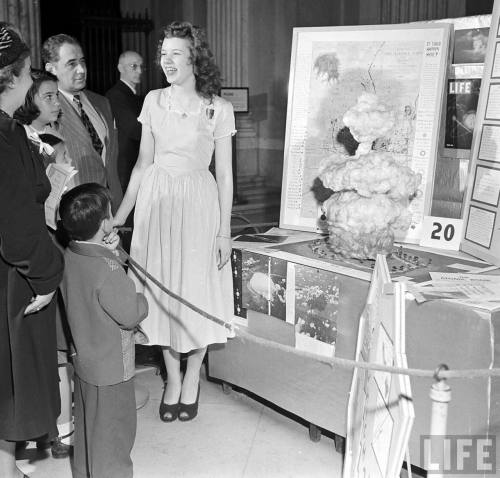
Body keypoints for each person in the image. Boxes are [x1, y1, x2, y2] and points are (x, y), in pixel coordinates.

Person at [113, 21, 235, 422]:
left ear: (194, 58)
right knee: (160, 294)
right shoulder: (152, 101)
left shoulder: (218, 107)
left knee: (196, 291)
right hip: (157, 204)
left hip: (200, 205)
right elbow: (141, 166)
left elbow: (226, 175)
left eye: (175, 53)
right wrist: (119, 218)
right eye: (162, 53)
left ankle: (194, 375)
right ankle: (172, 377)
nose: (166, 61)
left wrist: (224, 232)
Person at [0, 22, 64, 478]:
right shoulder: (4, 137)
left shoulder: (9, 132)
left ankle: (6, 465)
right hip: (12, 279)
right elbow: (19, 231)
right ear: (19, 75)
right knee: (12, 376)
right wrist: (47, 275)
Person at [59, 183, 148, 478]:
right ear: (105, 224)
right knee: (116, 434)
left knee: (90, 430)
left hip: (86, 364)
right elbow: (130, 313)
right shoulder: (107, 271)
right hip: (113, 370)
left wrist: (115, 255)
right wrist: (142, 300)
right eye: (110, 215)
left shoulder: (70, 255)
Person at [14, 69, 75, 459]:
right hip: (34, 251)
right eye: (49, 96)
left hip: (53, 246)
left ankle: (59, 430)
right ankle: (34, 430)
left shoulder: (55, 143)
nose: (57, 103)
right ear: (28, 100)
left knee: (57, 343)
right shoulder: (28, 144)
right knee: (36, 346)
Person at [41, 34, 122, 211]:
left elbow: (109, 160)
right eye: (71, 64)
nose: (81, 69)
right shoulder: (46, 110)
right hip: (76, 211)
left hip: (111, 206)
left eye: (82, 61)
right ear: (51, 68)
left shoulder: (102, 102)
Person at [105, 50, 145, 192]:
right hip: (126, 167)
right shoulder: (116, 95)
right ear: (120, 68)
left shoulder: (134, 96)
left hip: (135, 164)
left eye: (141, 66)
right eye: (134, 66)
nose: (139, 71)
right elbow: (135, 130)